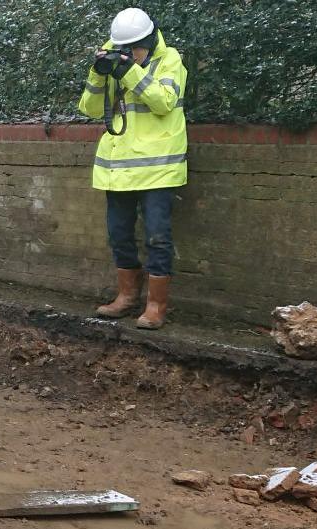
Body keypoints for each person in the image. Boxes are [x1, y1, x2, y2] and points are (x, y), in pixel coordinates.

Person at [79, 7, 187, 329]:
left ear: (150, 40)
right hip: (119, 167)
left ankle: (156, 305)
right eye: (124, 49)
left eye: (135, 49)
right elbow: (89, 108)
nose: (130, 54)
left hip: (158, 167)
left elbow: (164, 101)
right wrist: (99, 73)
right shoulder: (116, 57)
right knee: (119, 234)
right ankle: (127, 297)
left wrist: (129, 72)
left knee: (157, 236)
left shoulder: (170, 60)